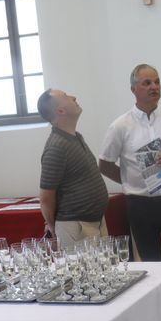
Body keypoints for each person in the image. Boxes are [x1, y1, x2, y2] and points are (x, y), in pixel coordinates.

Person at [99, 64, 161, 281]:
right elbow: (104, 164)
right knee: (152, 266)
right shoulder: (120, 126)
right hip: (140, 205)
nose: (154, 87)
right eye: (147, 83)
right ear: (133, 89)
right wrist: (130, 181)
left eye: (157, 82)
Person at [37, 89, 109, 247]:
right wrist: (52, 227)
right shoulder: (56, 147)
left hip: (93, 222)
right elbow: (46, 198)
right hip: (76, 227)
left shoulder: (75, 137)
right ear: (60, 111)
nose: (74, 97)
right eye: (66, 96)